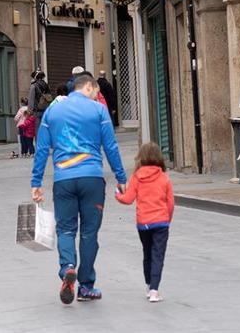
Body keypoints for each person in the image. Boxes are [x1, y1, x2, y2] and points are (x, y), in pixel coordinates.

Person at [31, 74, 127, 304]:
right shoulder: (98, 110)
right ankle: (86, 286)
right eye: (96, 92)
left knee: (65, 230)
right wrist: (121, 177)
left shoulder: (52, 112)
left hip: (63, 179)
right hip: (92, 178)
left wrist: (36, 183)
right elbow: (110, 146)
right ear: (89, 87)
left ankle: (67, 268)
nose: (97, 96)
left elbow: (42, 148)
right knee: (89, 233)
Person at [115, 142, 174, 303]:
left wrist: (117, 194)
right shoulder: (164, 178)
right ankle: (155, 290)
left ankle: (149, 286)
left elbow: (128, 199)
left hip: (143, 224)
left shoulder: (137, 177)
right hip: (161, 222)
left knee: (147, 254)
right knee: (158, 256)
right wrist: (167, 219)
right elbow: (170, 203)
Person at [27, 70, 51, 135]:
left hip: (36, 111)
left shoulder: (33, 86)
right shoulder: (46, 85)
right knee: (45, 129)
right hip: (45, 110)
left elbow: (31, 99)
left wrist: (29, 112)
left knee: (37, 130)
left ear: (35, 77)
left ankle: (38, 144)